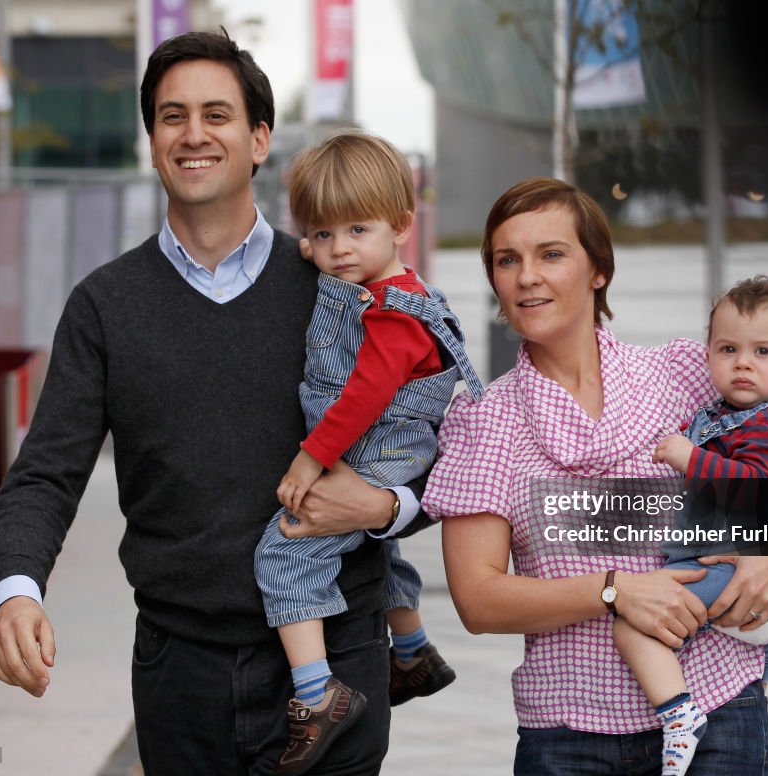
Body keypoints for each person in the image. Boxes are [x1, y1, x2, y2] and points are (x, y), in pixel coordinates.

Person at [0, 31, 433, 776]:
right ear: (153, 142)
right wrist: (16, 591)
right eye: (172, 116)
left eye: (216, 114)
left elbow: (443, 434)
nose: (194, 134)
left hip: (337, 654)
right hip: (178, 669)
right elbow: (44, 474)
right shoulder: (105, 305)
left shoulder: (342, 287)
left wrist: (386, 509)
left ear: (259, 139)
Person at [423, 177, 768, 775]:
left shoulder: (685, 375)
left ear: (598, 269)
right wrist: (615, 591)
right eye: (507, 259)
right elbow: (478, 599)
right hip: (570, 735)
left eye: (551, 254)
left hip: (722, 711)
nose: (527, 276)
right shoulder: (483, 422)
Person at [256, 131, 482, 774]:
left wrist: (310, 457)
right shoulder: (382, 284)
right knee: (376, 543)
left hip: (385, 440)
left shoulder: (394, 316)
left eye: (357, 230)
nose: (337, 250)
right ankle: (411, 651)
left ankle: (316, 694)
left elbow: (362, 396)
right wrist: (325, 239)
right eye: (321, 235)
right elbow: (335, 246)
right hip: (388, 440)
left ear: (402, 226)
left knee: (285, 547)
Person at [611, 275, 768, 774]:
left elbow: (754, 490)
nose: (743, 362)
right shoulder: (726, 415)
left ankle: (679, 714)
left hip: (737, 574)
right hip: (745, 582)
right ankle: (760, 670)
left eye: (763, 351)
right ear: (708, 355)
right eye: (728, 348)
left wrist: (690, 458)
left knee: (633, 626)